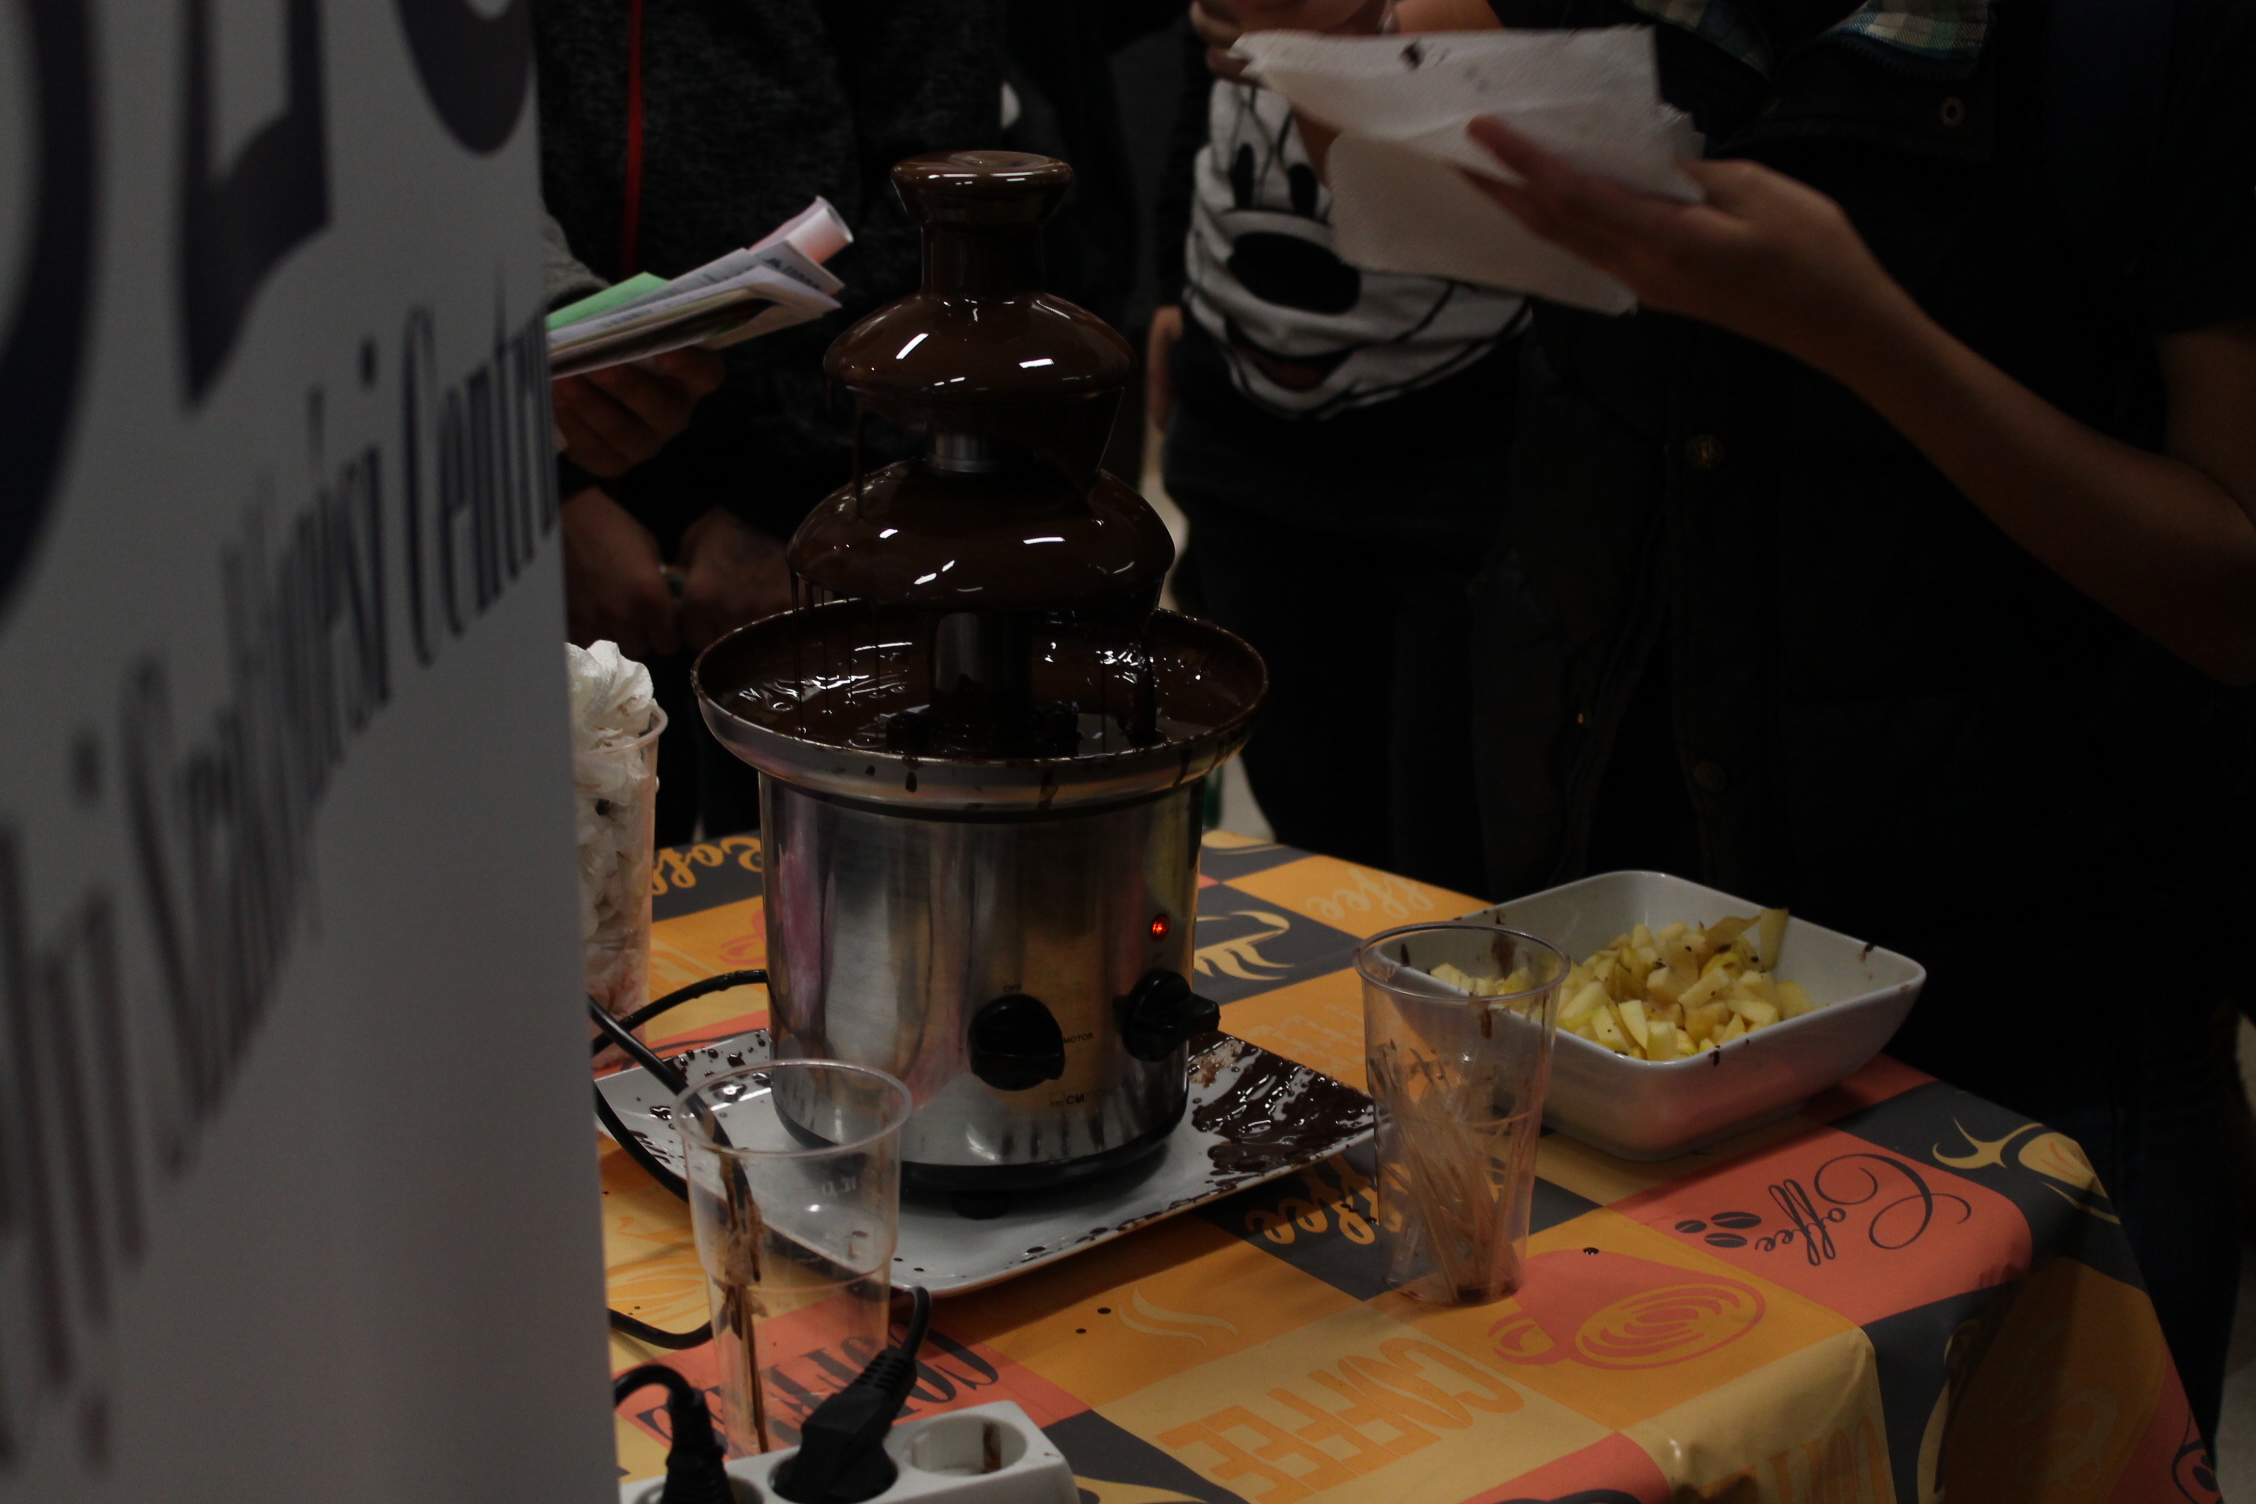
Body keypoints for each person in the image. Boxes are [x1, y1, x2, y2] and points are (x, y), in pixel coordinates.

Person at [1209, 0, 2256, 1444]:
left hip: (2042, 990)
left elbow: (2231, 589)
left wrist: (1860, 329)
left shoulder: (2167, 53)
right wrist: (1337, 60)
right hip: (1634, 976)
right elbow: (1454, 204)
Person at [534, 1, 1000, 842]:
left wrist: (792, 494)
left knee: (821, 876)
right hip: (543, 467)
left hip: (827, 488)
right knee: (577, 889)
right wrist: (550, 485)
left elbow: (940, 176)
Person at [1150, 21, 1529, 895]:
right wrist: (1171, 279)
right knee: (1317, 845)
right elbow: (1208, 74)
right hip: (1249, 435)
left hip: (1469, 438)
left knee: (1455, 854)